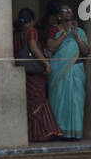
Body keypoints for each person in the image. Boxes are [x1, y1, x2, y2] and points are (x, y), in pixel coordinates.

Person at [43, 0, 89, 139]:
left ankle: (75, 132)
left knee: (76, 100)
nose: (68, 12)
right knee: (60, 100)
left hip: (76, 70)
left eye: (70, 10)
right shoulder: (54, 30)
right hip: (59, 71)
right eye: (65, 11)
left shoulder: (79, 31)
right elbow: (51, 47)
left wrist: (75, 36)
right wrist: (65, 33)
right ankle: (60, 131)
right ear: (59, 16)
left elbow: (86, 51)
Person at [14, 8, 60, 142]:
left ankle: (32, 133)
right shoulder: (31, 31)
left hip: (23, 71)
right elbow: (33, 48)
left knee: (31, 103)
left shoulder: (17, 33)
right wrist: (46, 63)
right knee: (39, 101)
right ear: (32, 21)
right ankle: (42, 133)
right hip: (34, 72)